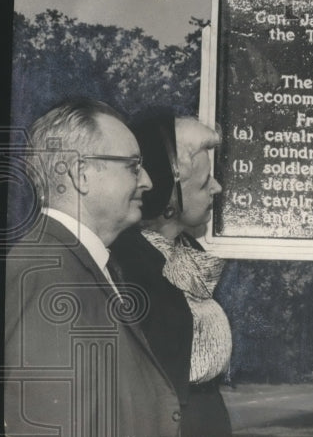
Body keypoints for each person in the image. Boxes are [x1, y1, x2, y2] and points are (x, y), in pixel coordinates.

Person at [4, 98, 182, 436]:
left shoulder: (74, 264)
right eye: (132, 165)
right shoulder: (47, 279)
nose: (147, 180)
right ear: (81, 174)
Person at [110, 107, 233, 436]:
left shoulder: (190, 256)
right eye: (205, 183)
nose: (218, 188)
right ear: (168, 199)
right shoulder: (130, 266)